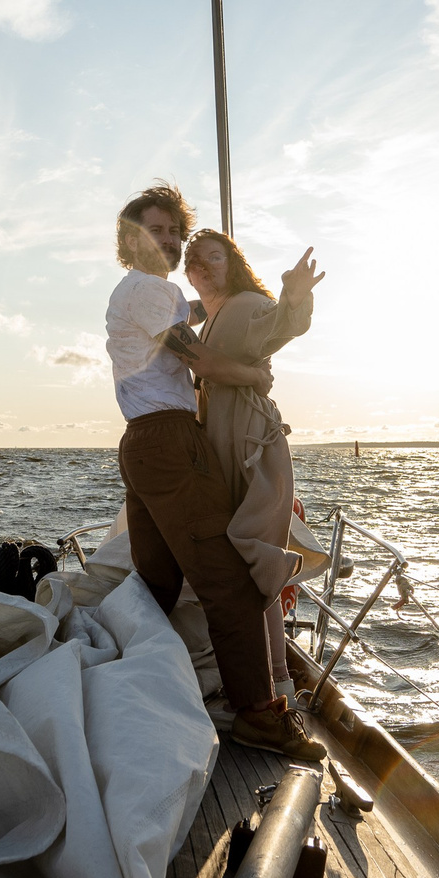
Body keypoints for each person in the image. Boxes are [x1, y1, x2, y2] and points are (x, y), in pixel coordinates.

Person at [105, 184, 324, 762]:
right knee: (230, 583)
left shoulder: (148, 294)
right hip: (172, 443)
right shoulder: (152, 288)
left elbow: (201, 316)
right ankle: (256, 714)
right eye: (157, 231)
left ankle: (128, 682)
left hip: (141, 443)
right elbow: (193, 353)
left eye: (176, 232)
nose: (172, 241)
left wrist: (256, 295)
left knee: (158, 584)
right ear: (132, 239)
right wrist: (254, 378)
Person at [181, 229, 323, 696]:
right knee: (242, 557)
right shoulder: (210, 316)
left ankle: (276, 679)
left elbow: (278, 325)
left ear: (232, 263)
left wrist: (293, 298)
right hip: (224, 440)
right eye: (195, 259)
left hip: (248, 443)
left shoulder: (243, 305)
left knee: (252, 555)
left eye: (214, 257)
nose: (204, 265)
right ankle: (267, 676)